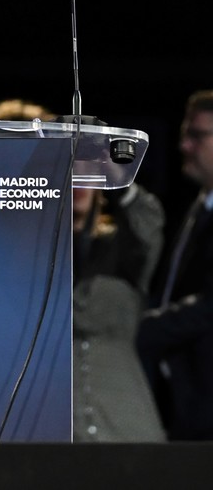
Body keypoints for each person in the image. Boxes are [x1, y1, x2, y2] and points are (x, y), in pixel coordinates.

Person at [0, 98, 167, 442]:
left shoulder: (125, 245)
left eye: (87, 166)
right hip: (43, 422)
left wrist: (110, 162)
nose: (79, 177)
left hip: (124, 421)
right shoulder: (21, 253)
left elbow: (147, 225)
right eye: (68, 166)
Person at [137, 89, 213, 439]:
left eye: (197, 136)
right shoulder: (197, 208)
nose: (184, 146)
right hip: (185, 409)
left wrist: (134, 330)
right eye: (185, 135)